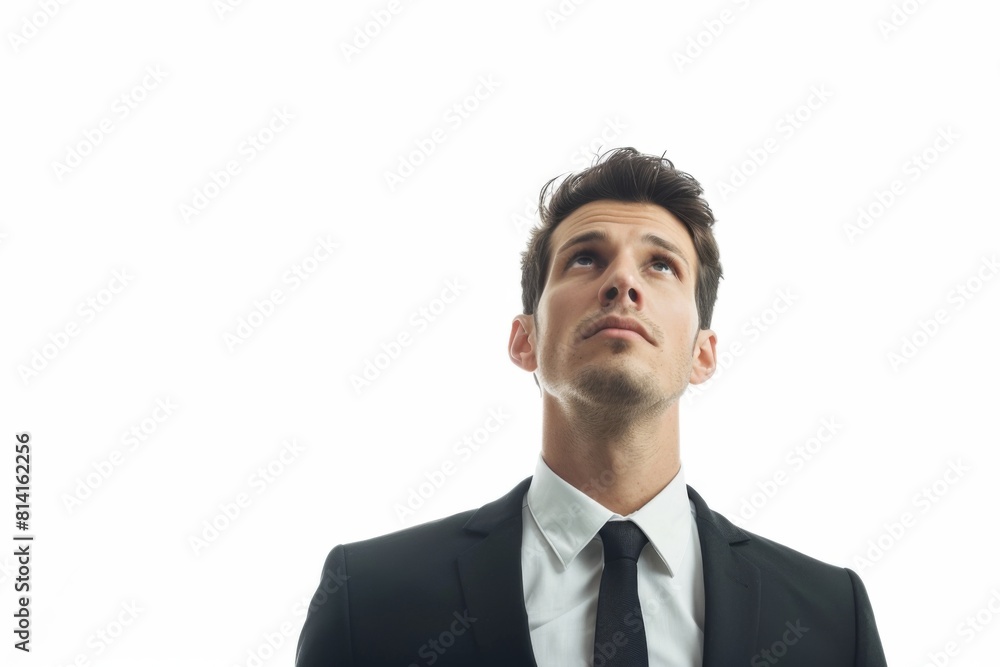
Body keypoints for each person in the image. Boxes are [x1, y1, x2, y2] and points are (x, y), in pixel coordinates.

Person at [295, 147, 888, 666]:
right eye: (585, 257)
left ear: (702, 353)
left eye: (661, 265)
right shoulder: (368, 599)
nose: (622, 281)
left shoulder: (832, 622)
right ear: (524, 340)